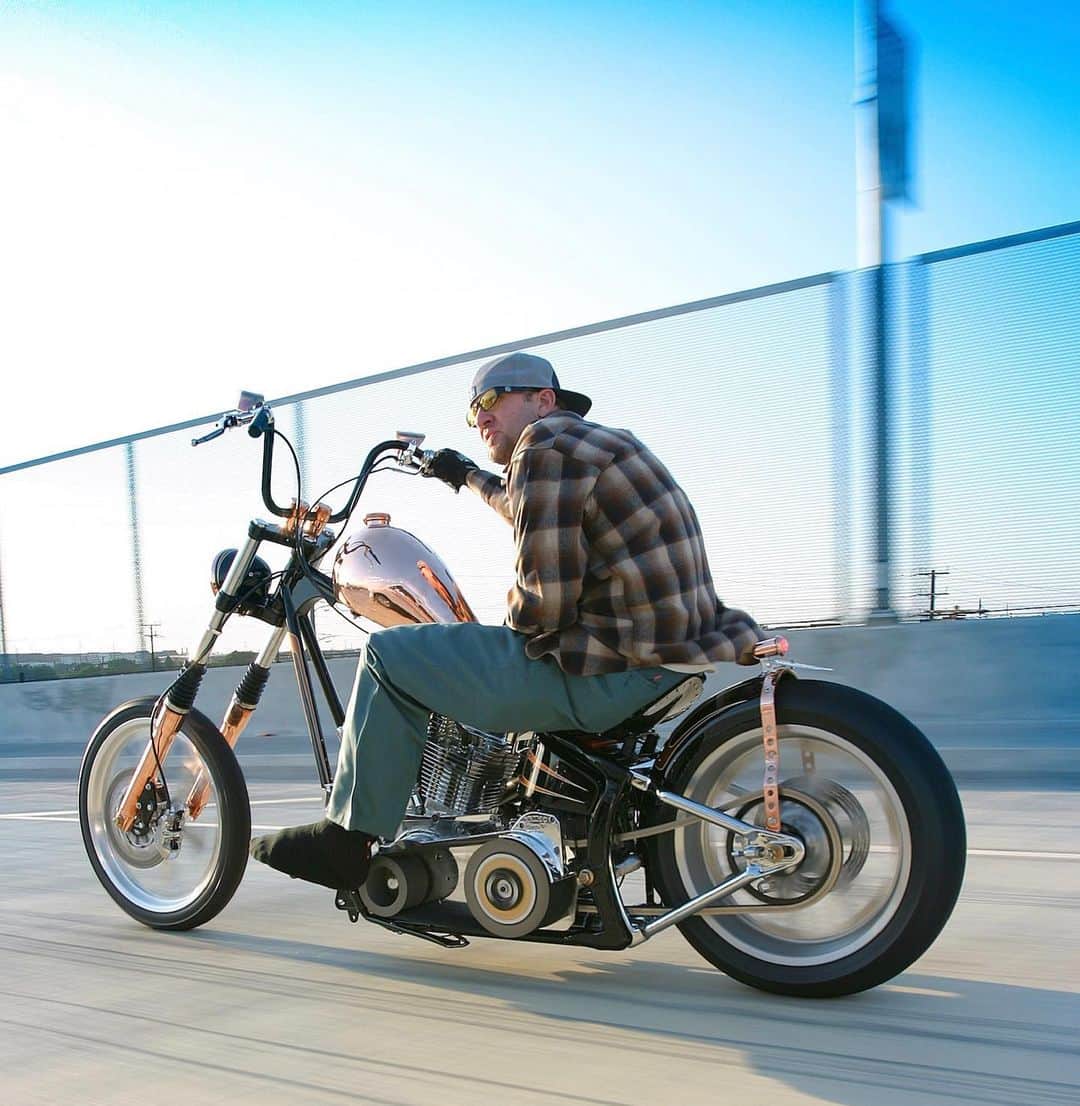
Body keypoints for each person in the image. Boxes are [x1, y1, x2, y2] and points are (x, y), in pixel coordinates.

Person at [250, 352, 763, 891]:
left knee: (389, 655)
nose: (481, 416)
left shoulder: (542, 447)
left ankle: (346, 840)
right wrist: (464, 476)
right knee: (466, 647)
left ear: (543, 400)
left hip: (607, 670)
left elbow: (544, 606)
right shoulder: (596, 445)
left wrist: (496, 629)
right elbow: (523, 505)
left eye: (493, 399)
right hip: (665, 658)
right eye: (473, 410)